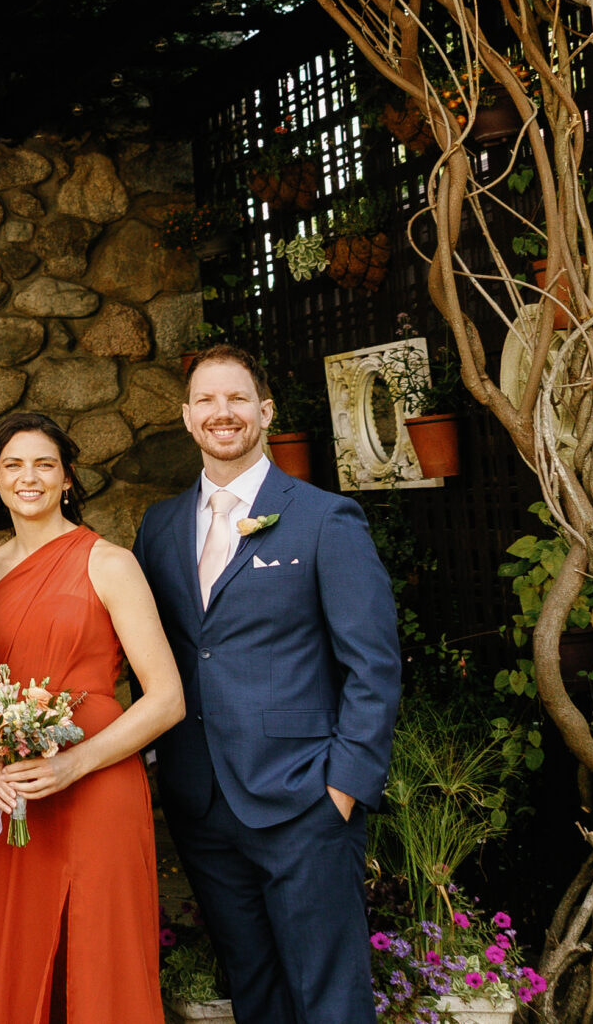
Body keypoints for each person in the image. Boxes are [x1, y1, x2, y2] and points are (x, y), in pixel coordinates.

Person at [133, 346, 400, 1024]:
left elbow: (373, 665)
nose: (222, 412)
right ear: (186, 416)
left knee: (330, 999)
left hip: (305, 799)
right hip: (201, 804)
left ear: (266, 410)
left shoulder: (324, 518)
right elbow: (151, 654)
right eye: (206, 400)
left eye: (237, 398)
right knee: (254, 992)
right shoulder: (159, 527)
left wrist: (344, 786)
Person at [0, 412, 184, 1024]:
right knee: (9, 948)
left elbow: (167, 698)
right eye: (13, 465)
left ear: (67, 478)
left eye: (44, 464)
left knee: (99, 947)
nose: (28, 477)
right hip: (15, 792)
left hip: (99, 784)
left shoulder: (109, 563)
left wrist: (75, 764)